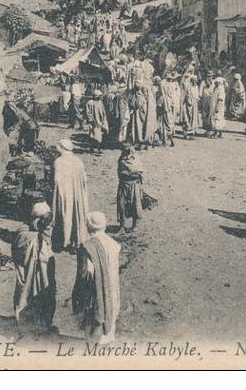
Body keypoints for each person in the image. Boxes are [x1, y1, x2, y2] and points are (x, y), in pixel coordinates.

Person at [72, 212, 121, 343]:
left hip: (96, 291)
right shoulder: (114, 244)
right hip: (112, 288)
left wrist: (79, 294)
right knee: (110, 309)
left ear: (89, 227)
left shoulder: (87, 247)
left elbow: (85, 273)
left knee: (94, 321)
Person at [12, 201, 56, 332]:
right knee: (27, 296)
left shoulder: (40, 232)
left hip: (40, 274)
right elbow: (21, 254)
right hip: (28, 273)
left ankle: (42, 324)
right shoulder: (25, 234)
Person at [51, 139, 89, 253]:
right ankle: (76, 241)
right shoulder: (78, 161)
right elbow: (84, 179)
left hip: (64, 193)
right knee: (76, 215)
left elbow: (56, 180)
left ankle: (64, 241)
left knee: (64, 215)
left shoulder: (58, 161)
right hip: (77, 193)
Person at [116, 145, 144, 232]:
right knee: (121, 205)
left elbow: (140, 172)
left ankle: (135, 225)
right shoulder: (121, 159)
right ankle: (122, 226)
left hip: (134, 185)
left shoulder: (136, 159)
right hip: (123, 184)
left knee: (135, 205)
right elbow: (119, 172)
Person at [158, 74, 180, 147]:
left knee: (164, 123)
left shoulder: (163, 85)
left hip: (164, 106)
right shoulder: (170, 86)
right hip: (168, 106)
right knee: (167, 123)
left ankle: (167, 140)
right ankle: (167, 140)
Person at [85, 89, 109, 155]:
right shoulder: (90, 102)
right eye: (100, 96)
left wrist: (104, 120)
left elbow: (103, 112)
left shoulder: (100, 102)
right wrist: (91, 120)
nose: (101, 97)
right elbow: (87, 112)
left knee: (99, 135)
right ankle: (93, 149)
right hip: (93, 122)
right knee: (93, 135)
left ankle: (98, 149)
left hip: (100, 122)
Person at [181, 74, 201, 138]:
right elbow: (185, 95)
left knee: (194, 117)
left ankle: (192, 131)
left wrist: (197, 100)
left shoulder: (196, 87)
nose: (195, 82)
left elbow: (197, 95)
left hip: (194, 104)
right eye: (194, 80)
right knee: (187, 117)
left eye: (196, 80)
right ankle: (186, 133)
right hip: (188, 104)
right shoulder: (188, 87)